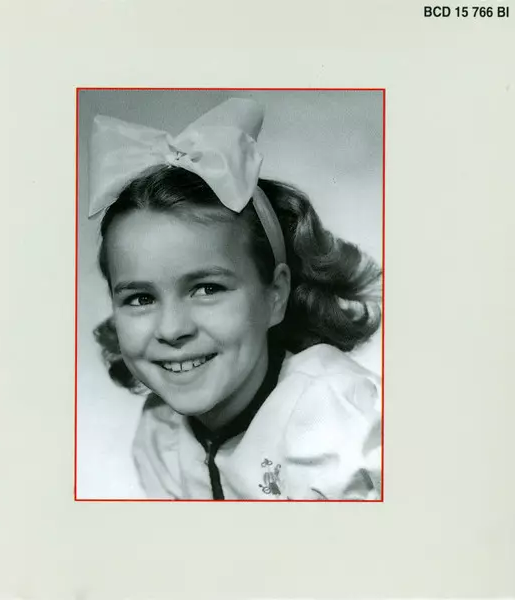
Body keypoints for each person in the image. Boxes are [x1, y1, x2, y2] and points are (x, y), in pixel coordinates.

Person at [88, 98, 382, 500]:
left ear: (275, 295)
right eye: (140, 298)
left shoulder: (335, 418)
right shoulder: (161, 435)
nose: (172, 329)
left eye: (207, 289)